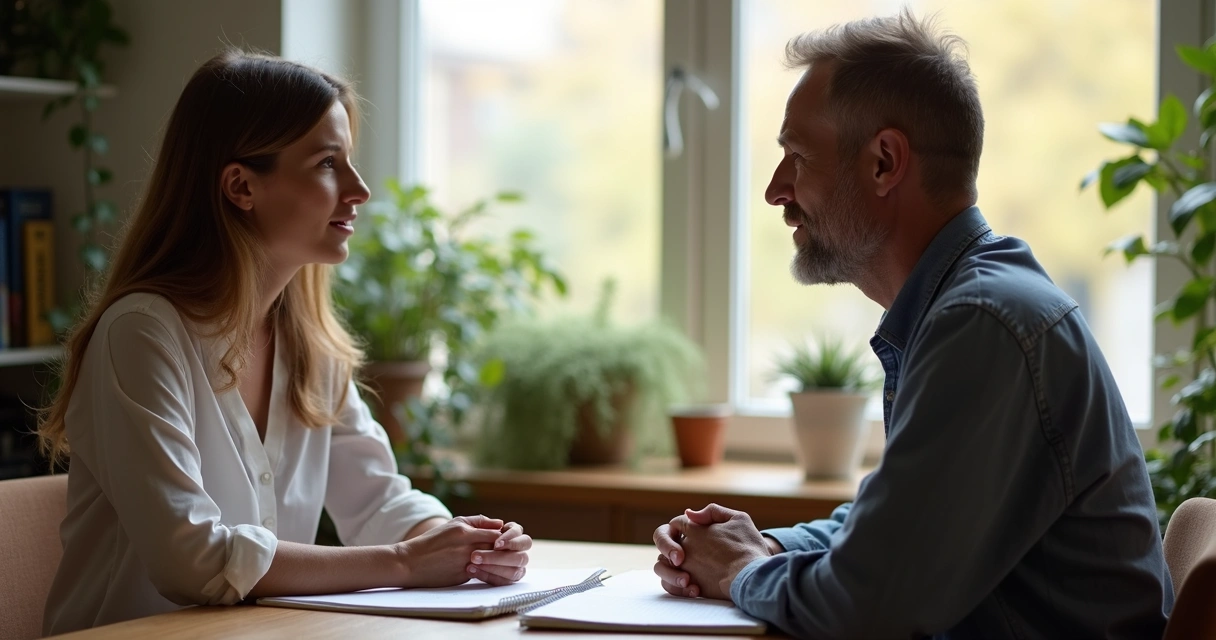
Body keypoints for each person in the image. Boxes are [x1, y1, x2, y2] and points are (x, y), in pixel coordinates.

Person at [651, 9, 1173, 639]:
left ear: (884, 162)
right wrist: (762, 545)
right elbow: (896, 531)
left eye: (798, 156)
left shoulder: (983, 325)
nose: (775, 190)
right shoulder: (967, 307)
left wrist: (741, 570)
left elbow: (869, 605)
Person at [38, 50, 531, 634]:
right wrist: (404, 562)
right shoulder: (141, 334)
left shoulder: (309, 344)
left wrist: (464, 544)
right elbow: (190, 559)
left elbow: (377, 501)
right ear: (241, 186)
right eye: (327, 163)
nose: (360, 190)